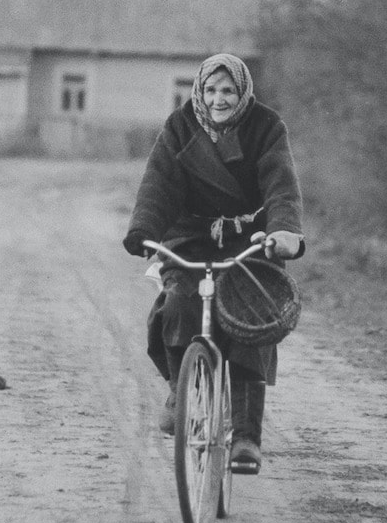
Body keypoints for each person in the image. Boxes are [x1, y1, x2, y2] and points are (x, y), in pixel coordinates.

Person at [122, 53, 304, 473]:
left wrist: (284, 232)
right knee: (179, 302)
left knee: (249, 318)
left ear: (242, 93)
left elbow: (281, 184)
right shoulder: (180, 126)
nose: (218, 99)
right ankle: (178, 388)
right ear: (199, 91)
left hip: (251, 237)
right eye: (210, 90)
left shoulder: (266, 126)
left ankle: (245, 437)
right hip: (191, 234)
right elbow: (158, 185)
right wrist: (143, 229)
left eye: (228, 91)